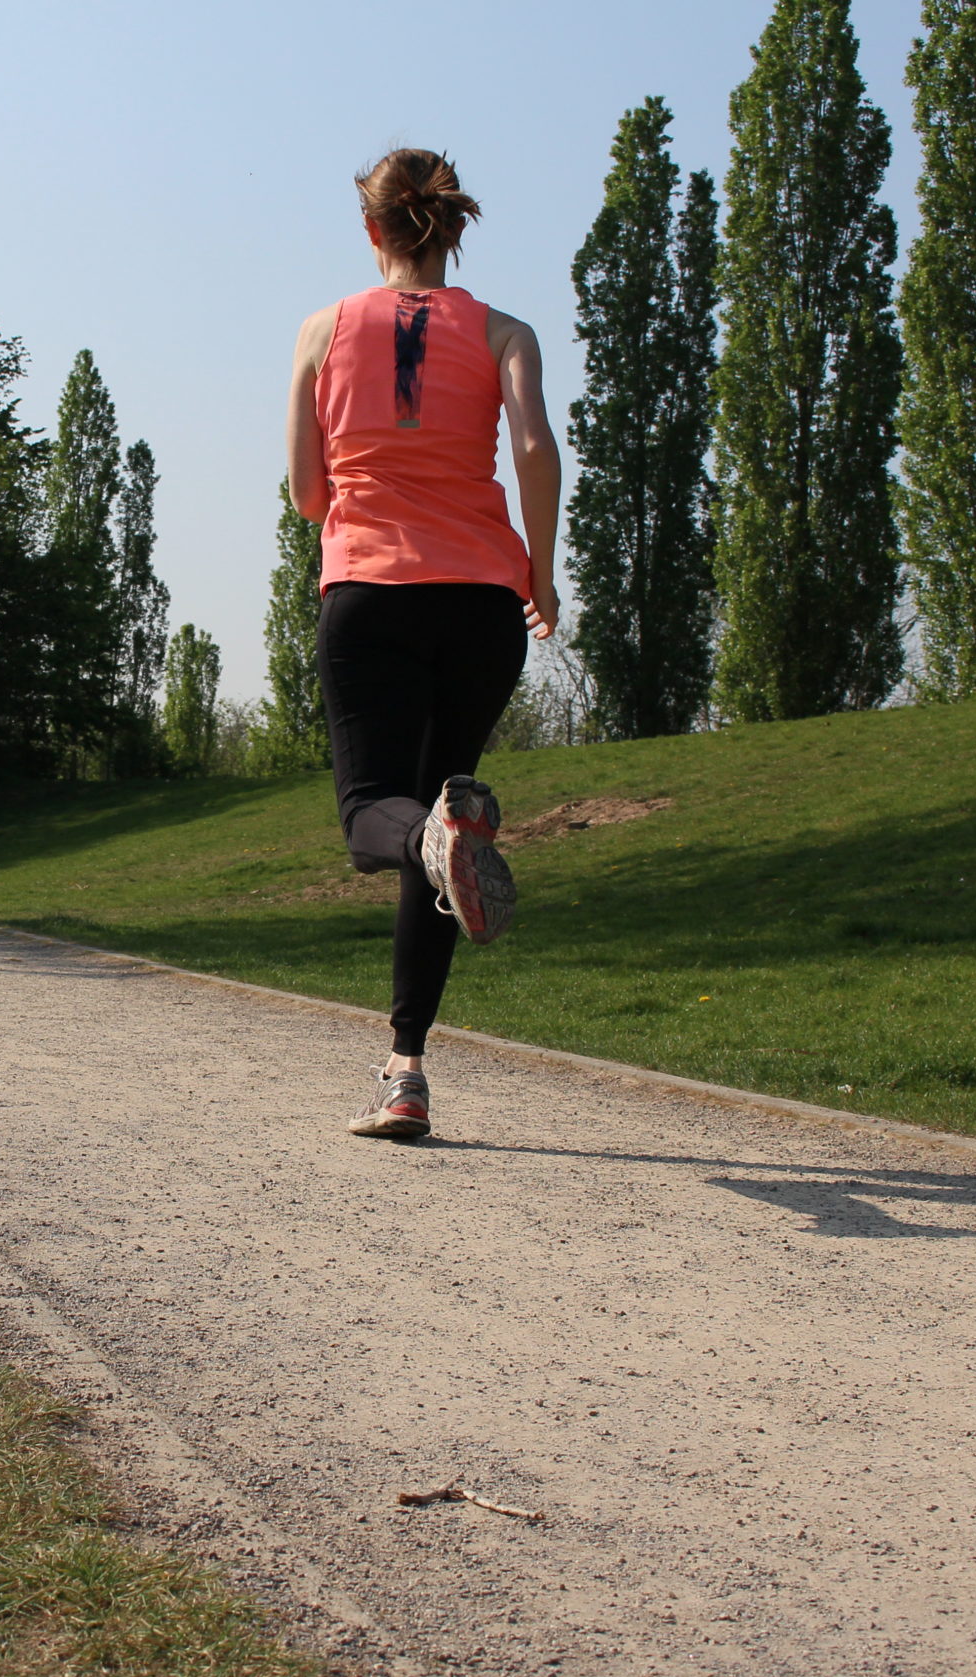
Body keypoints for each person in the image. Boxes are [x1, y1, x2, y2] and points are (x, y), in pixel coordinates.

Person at [286, 147, 560, 1142]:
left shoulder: (323, 331)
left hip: (369, 589)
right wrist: (542, 566)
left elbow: (306, 495)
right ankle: (405, 1071)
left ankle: (433, 853)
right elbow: (532, 447)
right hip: (482, 599)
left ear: (374, 230)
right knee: (441, 814)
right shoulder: (504, 332)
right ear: (453, 226)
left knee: (377, 817)